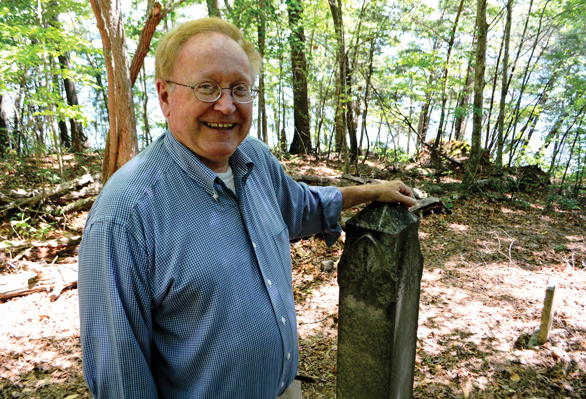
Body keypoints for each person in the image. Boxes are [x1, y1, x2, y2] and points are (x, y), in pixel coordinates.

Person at [78, 17, 417, 399]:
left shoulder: (253, 158)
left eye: (239, 88)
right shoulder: (124, 217)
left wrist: (374, 191)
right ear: (165, 96)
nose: (226, 106)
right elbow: (121, 380)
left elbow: (300, 206)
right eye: (206, 87)